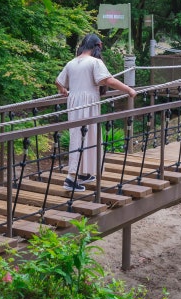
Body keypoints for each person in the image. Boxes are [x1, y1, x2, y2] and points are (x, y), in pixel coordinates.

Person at [55, 34, 136, 192]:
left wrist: (63, 90)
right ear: (97, 46)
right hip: (88, 102)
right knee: (82, 136)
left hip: (74, 102)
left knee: (83, 135)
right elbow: (108, 80)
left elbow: (58, 81)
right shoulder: (95, 62)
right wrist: (129, 90)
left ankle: (84, 172)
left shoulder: (72, 62)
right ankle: (70, 178)